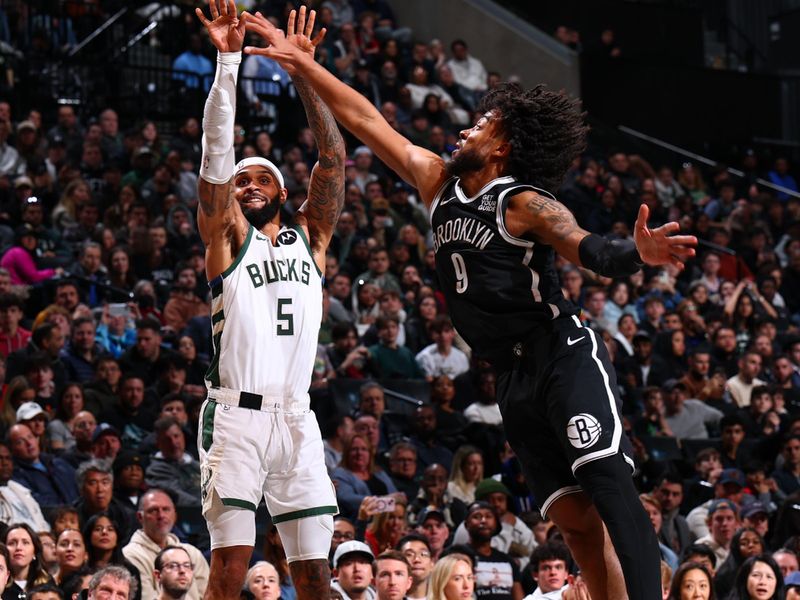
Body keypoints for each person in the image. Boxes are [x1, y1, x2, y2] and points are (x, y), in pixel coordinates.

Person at [243, 13, 697, 600]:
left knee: (609, 485)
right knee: (576, 521)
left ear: (502, 146)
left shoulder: (524, 203)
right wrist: (304, 64)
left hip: (560, 354)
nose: (465, 130)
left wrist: (637, 253)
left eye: (480, 124)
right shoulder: (437, 185)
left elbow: (591, 250)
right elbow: (365, 119)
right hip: (508, 375)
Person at [195, 4, 345, 599]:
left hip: (297, 416)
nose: (247, 185)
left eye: (260, 179)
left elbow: (332, 160)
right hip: (236, 415)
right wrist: (228, 63)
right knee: (230, 570)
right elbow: (213, 156)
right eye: (241, 181)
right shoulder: (227, 237)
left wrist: (306, 74)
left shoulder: (312, 235)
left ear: (284, 191)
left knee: (314, 574)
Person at [122, 489, 209, 600]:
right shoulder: (131, 555)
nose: (161, 515)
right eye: (153, 510)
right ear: (140, 517)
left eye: (166, 509)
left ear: (175, 515)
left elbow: (208, 594)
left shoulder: (192, 553)